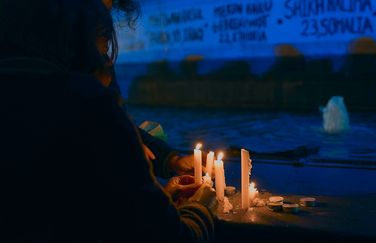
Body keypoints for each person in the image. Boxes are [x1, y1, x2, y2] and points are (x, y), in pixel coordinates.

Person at [0, 0, 216, 242]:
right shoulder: (88, 103)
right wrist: (200, 206)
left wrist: (165, 168)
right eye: (103, 51)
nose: (108, 64)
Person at [98, 0, 198, 180]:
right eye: (96, 12)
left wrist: (173, 160)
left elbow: (123, 125)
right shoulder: (55, 82)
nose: (106, 25)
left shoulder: (103, 64)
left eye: (108, 13)